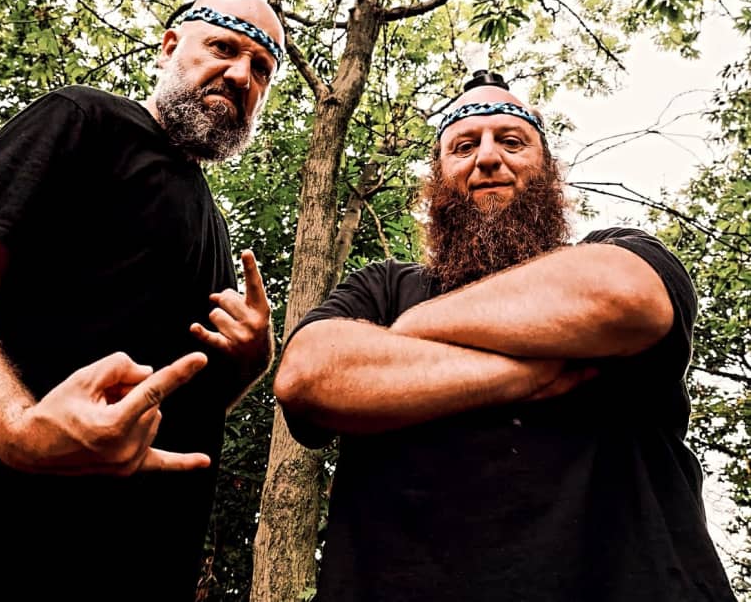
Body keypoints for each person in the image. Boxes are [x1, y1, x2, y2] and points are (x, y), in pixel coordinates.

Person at [274, 71, 738, 602]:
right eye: (464, 146)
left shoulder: (612, 251)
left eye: (512, 142)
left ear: (548, 170)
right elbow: (307, 375)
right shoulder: (384, 287)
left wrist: (406, 334)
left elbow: (625, 297)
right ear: (438, 176)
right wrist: (525, 374)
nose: (488, 158)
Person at [0, 0, 285, 602]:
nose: (241, 75)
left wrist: (251, 362)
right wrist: (17, 428)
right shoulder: (82, 120)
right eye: (223, 47)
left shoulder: (215, 229)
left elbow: (169, 405)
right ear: (169, 47)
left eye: (262, 69)